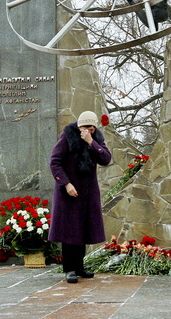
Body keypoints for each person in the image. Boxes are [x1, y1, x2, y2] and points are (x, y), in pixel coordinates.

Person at [48, 111, 112, 283]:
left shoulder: (96, 138)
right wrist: (66, 184)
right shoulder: (67, 136)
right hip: (68, 191)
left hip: (88, 193)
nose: (86, 131)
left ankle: (79, 267)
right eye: (83, 127)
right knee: (70, 230)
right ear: (78, 126)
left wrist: (91, 142)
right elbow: (54, 162)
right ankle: (69, 269)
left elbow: (106, 159)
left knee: (83, 229)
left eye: (90, 128)